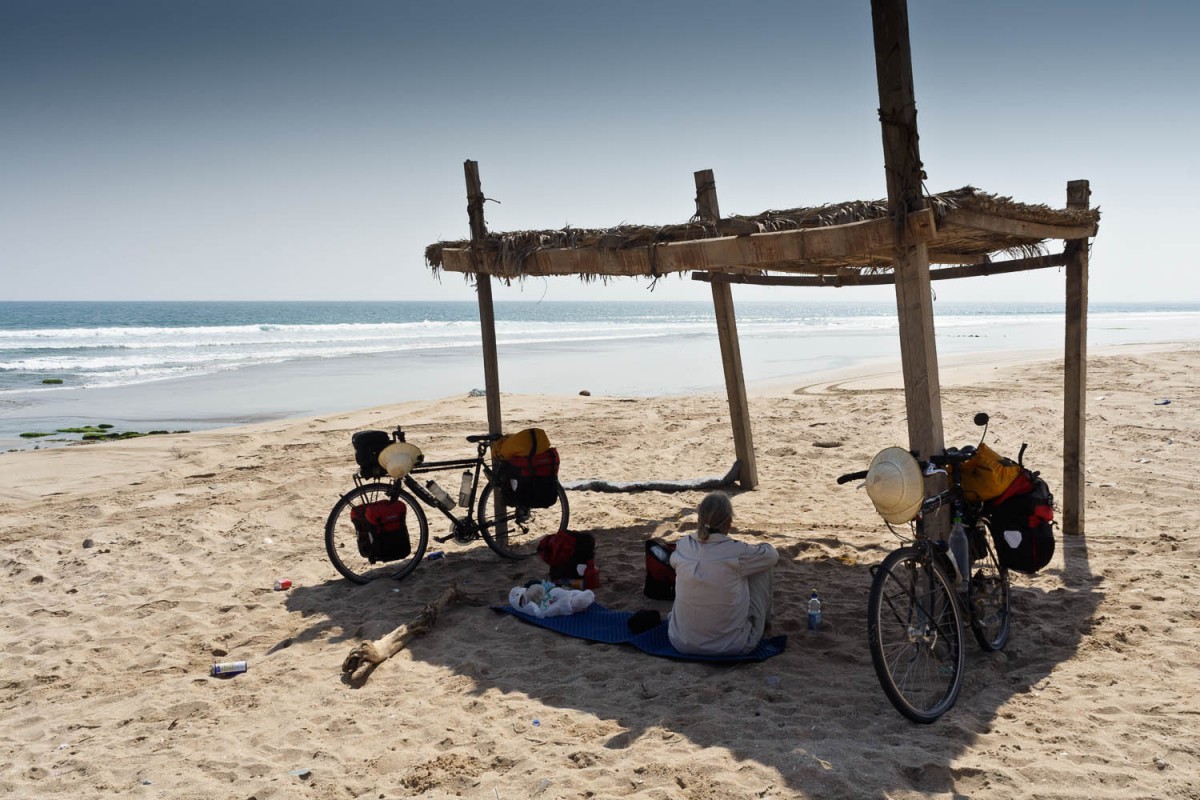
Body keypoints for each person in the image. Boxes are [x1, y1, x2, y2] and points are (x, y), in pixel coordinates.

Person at [667, 491, 778, 656]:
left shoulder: (683, 545)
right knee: (761, 568)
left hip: (680, 641)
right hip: (731, 645)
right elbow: (772, 556)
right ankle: (764, 625)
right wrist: (761, 545)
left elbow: (673, 562)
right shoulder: (737, 551)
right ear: (729, 523)